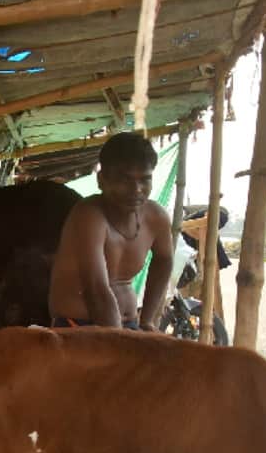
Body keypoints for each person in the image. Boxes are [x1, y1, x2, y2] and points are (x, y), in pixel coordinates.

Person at [48, 131, 174, 331]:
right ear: (101, 180)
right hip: (78, 328)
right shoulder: (89, 215)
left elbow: (165, 259)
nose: (137, 189)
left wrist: (147, 320)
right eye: (124, 180)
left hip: (127, 326)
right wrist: (120, 343)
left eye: (145, 179)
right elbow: (96, 290)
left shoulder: (156, 217)